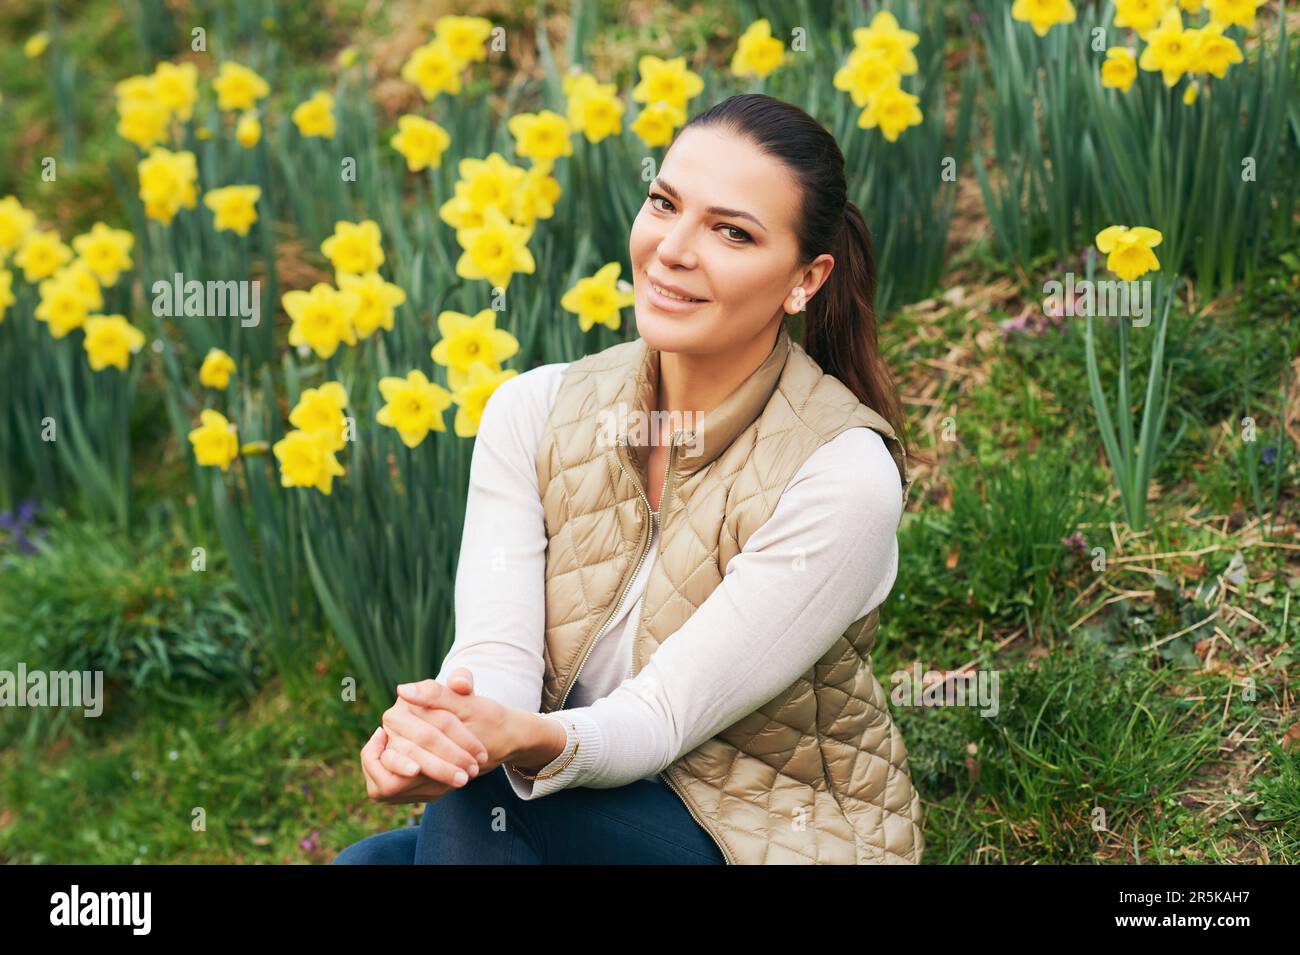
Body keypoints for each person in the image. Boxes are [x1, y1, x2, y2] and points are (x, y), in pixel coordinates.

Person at [333, 92, 923, 865]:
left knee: (490, 803)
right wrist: (453, 732)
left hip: (762, 825)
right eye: (663, 203)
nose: (673, 249)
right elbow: (498, 657)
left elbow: (662, 715)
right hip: (582, 797)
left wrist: (519, 745)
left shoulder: (842, 476)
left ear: (804, 279)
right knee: (368, 864)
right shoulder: (535, 410)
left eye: (731, 232)